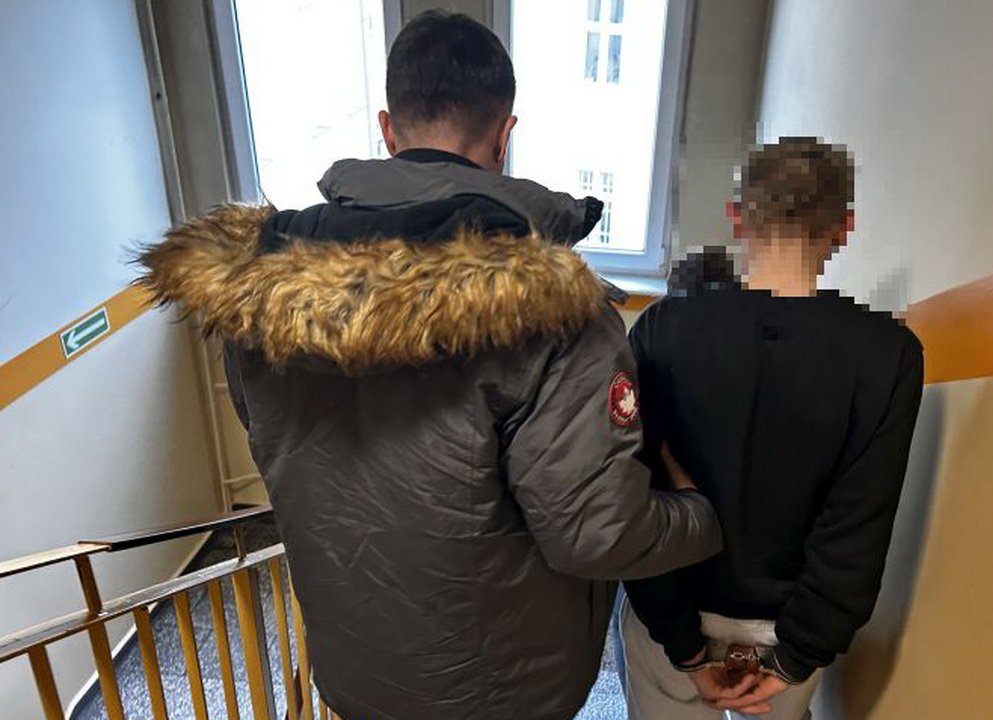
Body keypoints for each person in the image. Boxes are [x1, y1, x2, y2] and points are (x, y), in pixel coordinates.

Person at [136, 11, 721, 720]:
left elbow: (274, 446)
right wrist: (698, 518)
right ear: (504, 135)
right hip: (506, 690)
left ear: (388, 130)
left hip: (354, 665)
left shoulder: (260, 291)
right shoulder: (555, 317)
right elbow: (595, 534)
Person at [620, 137, 924, 719]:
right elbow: (858, 524)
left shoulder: (662, 330)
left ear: (737, 217)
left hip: (674, 610)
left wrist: (682, 643)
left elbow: (638, 496)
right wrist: (798, 654)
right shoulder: (888, 356)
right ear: (844, 228)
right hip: (788, 627)